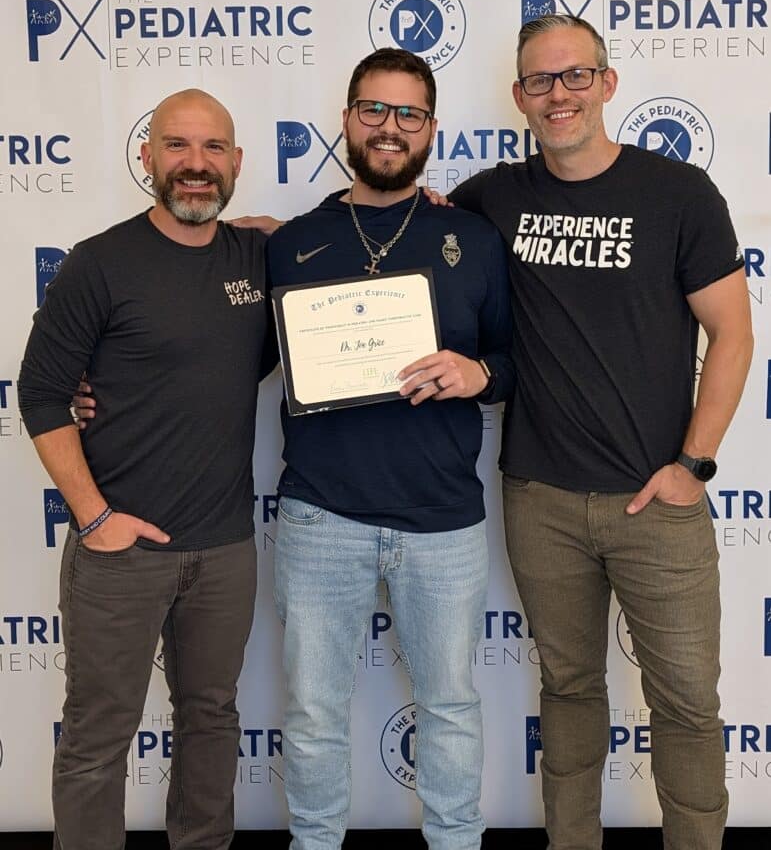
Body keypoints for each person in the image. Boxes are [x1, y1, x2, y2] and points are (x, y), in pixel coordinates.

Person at [442, 14, 753, 849]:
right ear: (518, 96)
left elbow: (732, 333)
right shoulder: (492, 198)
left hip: (657, 502)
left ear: (606, 83)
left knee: (685, 702)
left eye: (575, 75)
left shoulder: (678, 194)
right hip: (540, 500)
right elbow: (402, 225)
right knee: (570, 692)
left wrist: (693, 465)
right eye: (540, 80)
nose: (559, 94)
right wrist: (270, 238)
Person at [267, 47, 516, 850]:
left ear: (430, 129)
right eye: (373, 109)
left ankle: (455, 840)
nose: (389, 127)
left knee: (450, 706)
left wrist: (478, 372)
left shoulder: (471, 238)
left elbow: (514, 360)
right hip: (320, 516)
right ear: (346, 119)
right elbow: (228, 357)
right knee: (313, 711)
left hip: (442, 520)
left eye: (408, 113)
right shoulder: (290, 242)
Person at [18, 89, 276, 850]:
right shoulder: (100, 264)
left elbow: (346, 234)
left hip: (224, 549)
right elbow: (40, 393)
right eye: (177, 146)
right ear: (147, 156)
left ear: (236, 162)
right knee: (98, 736)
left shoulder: (255, 257)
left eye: (213, 148)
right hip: (119, 552)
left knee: (212, 720)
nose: (195, 164)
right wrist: (95, 518)